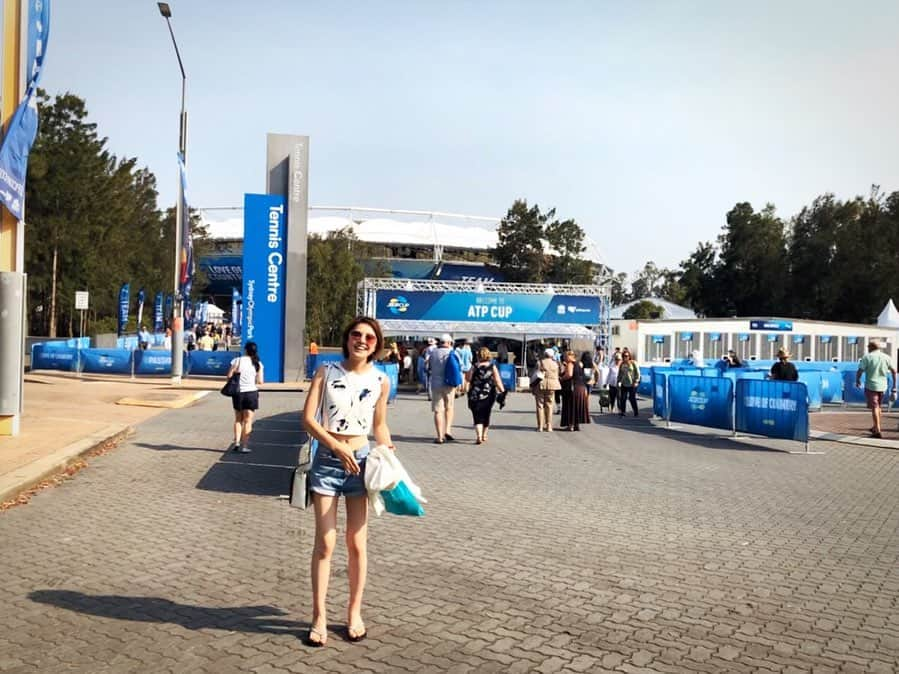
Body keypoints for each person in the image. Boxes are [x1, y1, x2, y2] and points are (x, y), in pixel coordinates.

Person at [302, 316, 393, 647]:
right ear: (347, 338)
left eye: (369, 337)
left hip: (362, 463)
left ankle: (354, 612)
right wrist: (336, 445)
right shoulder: (326, 372)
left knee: (357, 543)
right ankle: (319, 616)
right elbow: (308, 419)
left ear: (376, 345)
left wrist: (388, 452)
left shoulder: (381, 381)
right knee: (326, 542)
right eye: (356, 334)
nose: (362, 340)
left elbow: (379, 425)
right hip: (328, 460)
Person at [225, 341, 264, 453]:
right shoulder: (258, 364)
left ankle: (236, 442)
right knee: (248, 421)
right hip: (251, 393)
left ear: (245, 350)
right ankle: (245, 446)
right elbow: (260, 381)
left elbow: (229, 376)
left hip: (238, 393)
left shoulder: (237, 361)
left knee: (238, 419)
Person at [855, 341, 896, 439]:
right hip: (883, 386)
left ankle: (877, 430)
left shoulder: (867, 357)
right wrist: (894, 386)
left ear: (871, 347)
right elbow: (894, 371)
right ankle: (875, 426)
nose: (867, 348)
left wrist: (858, 380)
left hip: (871, 386)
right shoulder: (887, 357)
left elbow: (860, 370)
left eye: (868, 346)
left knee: (875, 407)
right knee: (878, 407)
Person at [465, 347, 505, 444]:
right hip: (489, 393)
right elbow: (497, 380)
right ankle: (484, 435)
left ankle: (478, 435)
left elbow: (468, 379)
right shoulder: (492, 366)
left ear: (478, 356)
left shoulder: (474, 366)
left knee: (477, 415)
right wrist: (502, 391)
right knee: (486, 414)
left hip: (475, 393)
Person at [427, 334, 458, 443]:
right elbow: (459, 367)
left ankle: (439, 436)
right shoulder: (452, 352)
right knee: (449, 407)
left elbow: (428, 366)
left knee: (437, 410)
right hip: (449, 383)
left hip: (436, 384)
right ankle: (448, 430)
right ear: (449, 342)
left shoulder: (433, 352)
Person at [532, 348, 561, 431]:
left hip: (541, 384)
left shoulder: (540, 362)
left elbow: (535, 374)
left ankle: (540, 426)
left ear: (544, 354)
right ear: (552, 355)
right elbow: (557, 375)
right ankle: (549, 426)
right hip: (552, 385)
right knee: (549, 405)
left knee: (540, 405)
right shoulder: (555, 364)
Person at [617, 351, 640, 417]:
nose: (625, 357)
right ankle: (623, 412)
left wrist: (636, 381)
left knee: (631, 398)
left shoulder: (633, 363)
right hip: (624, 383)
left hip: (632, 383)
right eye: (624, 356)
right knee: (623, 398)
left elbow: (637, 373)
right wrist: (618, 381)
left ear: (629, 356)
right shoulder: (622, 364)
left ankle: (635, 411)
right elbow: (620, 374)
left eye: (627, 356)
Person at [559, 351, 577, 430]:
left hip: (569, 388)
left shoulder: (570, 364)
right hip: (576, 387)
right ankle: (574, 424)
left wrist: (562, 379)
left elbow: (569, 374)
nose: (565, 358)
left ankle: (570, 425)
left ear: (571, 356)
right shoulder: (578, 364)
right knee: (573, 406)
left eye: (566, 356)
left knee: (569, 406)